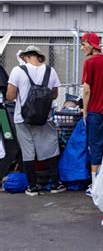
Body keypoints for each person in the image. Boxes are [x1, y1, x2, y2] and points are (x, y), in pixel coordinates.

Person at [6, 45, 66, 196]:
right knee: (50, 149)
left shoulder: (17, 70)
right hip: (44, 118)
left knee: (28, 152)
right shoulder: (50, 71)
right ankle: (55, 185)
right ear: (39, 57)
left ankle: (32, 187)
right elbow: (54, 94)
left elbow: (10, 96)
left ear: (25, 57)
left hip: (22, 118)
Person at [81, 32, 103, 195]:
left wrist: (84, 110)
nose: (82, 48)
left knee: (95, 147)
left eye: (83, 44)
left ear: (91, 44)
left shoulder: (90, 62)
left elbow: (87, 90)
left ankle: (96, 186)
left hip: (95, 112)